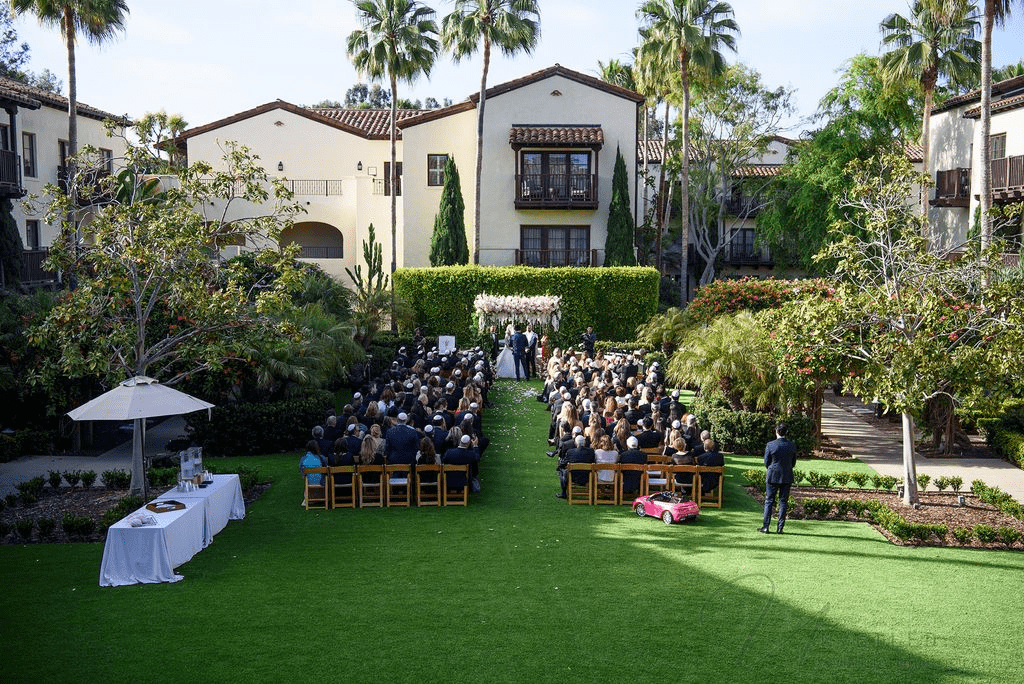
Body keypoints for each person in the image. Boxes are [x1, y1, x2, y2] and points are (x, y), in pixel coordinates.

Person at [761, 422, 797, 534]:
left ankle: (766, 527)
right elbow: (793, 462)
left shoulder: (771, 445)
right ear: (786, 432)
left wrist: (772, 468)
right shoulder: (791, 445)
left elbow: (766, 461)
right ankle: (780, 528)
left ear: (776, 431)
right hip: (786, 475)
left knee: (769, 501)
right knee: (783, 502)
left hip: (773, 474)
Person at [556, 434, 596, 499]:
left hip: (573, 477)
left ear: (575, 443)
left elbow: (563, 463)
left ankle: (563, 493)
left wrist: (560, 466)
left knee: (562, 471)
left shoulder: (571, 452)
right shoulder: (591, 452)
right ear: (584, 443)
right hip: (587, 476)